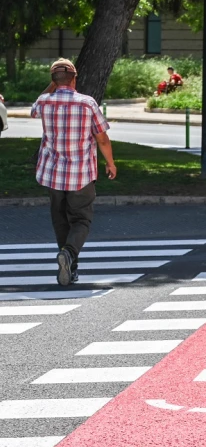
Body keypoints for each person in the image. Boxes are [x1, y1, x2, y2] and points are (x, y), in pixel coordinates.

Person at [31, 59, 117, 286]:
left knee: (60, 221)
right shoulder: (87, 104)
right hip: (81, 174)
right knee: (81, 219)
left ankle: (70, 265)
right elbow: (102, 138)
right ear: (75, 77)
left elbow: (33, 110)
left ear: (53, 80)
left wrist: (53, 85)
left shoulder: (44, 102)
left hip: (52, 173)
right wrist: (110, 163)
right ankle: (68, 254)